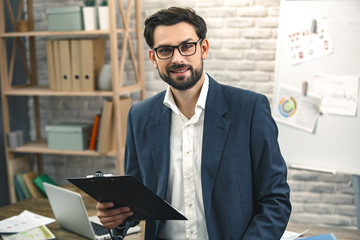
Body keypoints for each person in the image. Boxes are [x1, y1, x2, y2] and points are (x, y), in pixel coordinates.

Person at [96, 6, 291, 240]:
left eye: (187, 46)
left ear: (204, 49)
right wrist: (117, 218)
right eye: (166, 50)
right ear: (153, 58)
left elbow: (275, 200)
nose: (178, 58)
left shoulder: (249, 109)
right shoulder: (139, 116)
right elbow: (136, 202)